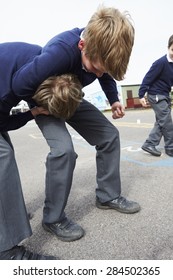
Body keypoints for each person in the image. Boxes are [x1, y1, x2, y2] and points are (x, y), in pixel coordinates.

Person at [12, 5, 141, 244]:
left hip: (72, 96)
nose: (99, 75)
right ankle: (53, 218)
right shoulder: (58, 53)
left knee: (109, 135)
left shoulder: (100, 50)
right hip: (47, 99)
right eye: (96, 69)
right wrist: (43, 105)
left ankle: (108, 196)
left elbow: (107, 72)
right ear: (82, 46)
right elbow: (20, 84)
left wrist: (113, 99)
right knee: (64, 150)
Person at [0, 72, 83, 260]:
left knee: (5, 148)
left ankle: (9, 216)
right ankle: (7, 253)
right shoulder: (18, 85)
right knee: (2, 156)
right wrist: (32, 112)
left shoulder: (39, 70)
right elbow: (2, 121)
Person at [139, 35, 173, 157]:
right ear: (168, 48)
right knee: (167, 122)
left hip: (164, 95)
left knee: (161, 121)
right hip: (156, 95)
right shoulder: (161, 63)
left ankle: (150, 144)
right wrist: (141, 95)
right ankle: (170, 148)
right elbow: (147, 78)